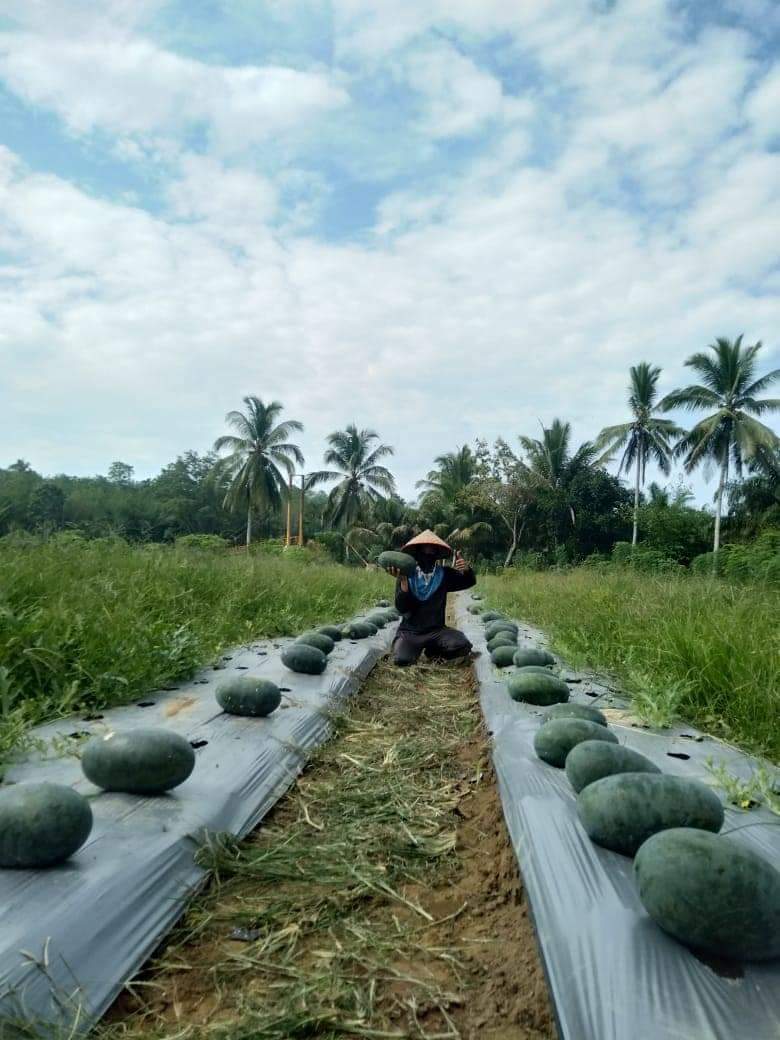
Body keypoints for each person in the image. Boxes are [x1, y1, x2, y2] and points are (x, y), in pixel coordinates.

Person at [388, 530, 476, 667]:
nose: (428, 554)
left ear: (437, 554)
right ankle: (410, 649)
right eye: (425, 550)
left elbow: (467, 582)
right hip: (410, 632)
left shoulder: (445, 574)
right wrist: (404, 584)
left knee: (461, 645)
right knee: (402, 660)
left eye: (432, 550)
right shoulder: (405, 574)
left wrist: (466, 570)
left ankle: (433, 651)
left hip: (436, 631)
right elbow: (402, 607)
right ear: (417, 552)